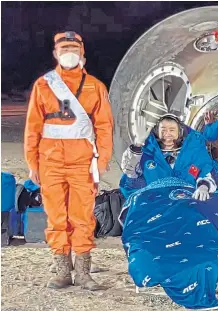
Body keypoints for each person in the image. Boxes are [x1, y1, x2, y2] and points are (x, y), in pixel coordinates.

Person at [24, 31, 113, 290]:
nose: (69, 53)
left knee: (83, 217)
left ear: (82, 54)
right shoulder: (43, 85)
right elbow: (33, 127)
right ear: (55, 54)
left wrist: (103, 160)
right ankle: (62, 270)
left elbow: (105, 126)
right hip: (49, 163)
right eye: (64, 49)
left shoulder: (95, 86)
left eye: (74, 48)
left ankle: (83, 272)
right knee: (56, 217)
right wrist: (32, 163)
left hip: (82, 163)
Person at [119, 113, 218, 310]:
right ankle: (151, 269)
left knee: (205, 213)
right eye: (163, 130)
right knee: (142, 220)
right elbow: (131, 176)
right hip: (154, 199)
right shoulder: (146, 150)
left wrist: (204, 186)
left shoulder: (194, 147)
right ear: (156, 131)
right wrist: (137, 146)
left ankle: (201, 272)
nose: (167, 134)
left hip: (187, 197)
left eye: (172, 129)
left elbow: (207, 171)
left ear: (179, 131)